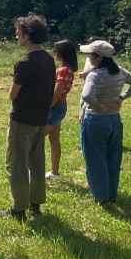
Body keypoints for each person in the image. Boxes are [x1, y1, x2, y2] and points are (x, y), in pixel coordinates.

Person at [0, 13, 56, 221]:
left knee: (16, 165)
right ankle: (36, 204)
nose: (16, 35)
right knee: (37, 162)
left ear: (27, 35)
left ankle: (18, 209)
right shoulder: (49, 60)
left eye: (19, 32)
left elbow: (12, 94)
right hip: (41, 119)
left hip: (22, 120)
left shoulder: (24, 63)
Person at [79, 39, 131, 204]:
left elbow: (86, 96)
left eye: (90, 54)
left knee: (95, 160)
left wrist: (98, 105)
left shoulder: (95, 75)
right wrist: (121, 97)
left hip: (95, 120)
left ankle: (100, 197)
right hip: (114, 120)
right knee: (113, 158)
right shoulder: (120, 72)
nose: (88, 57)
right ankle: (110, 195)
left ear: (99, 57)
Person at [45, 40, 77, 180]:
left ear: (62, 53)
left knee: (37, 139)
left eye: (55, 50)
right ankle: (54, 172)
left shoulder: (63, 70)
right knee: (54, 140)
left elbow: (55, 94)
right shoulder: (68, 69)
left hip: (55, 108)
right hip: (60, 106)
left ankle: (36, 173)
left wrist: (46, 109)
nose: (54, 53)